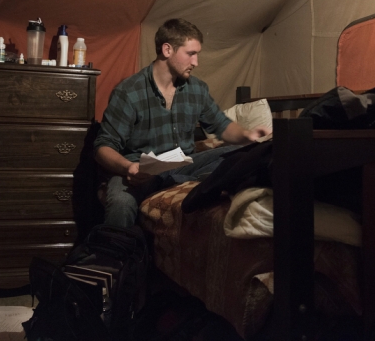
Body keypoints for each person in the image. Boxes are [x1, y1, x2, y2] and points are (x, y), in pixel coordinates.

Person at [94, 18, 271, 227]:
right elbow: (102, 147)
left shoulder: (197, 89)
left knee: (247, 153)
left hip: (184, 165)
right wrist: (128, 168)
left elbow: (221, 126)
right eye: (191, 54)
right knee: (121, 202)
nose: (196, 62)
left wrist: (246, 135)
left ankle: (187, 180)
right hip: (143, 172)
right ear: (167, 50)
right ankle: (113, 256)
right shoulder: (129, 92)